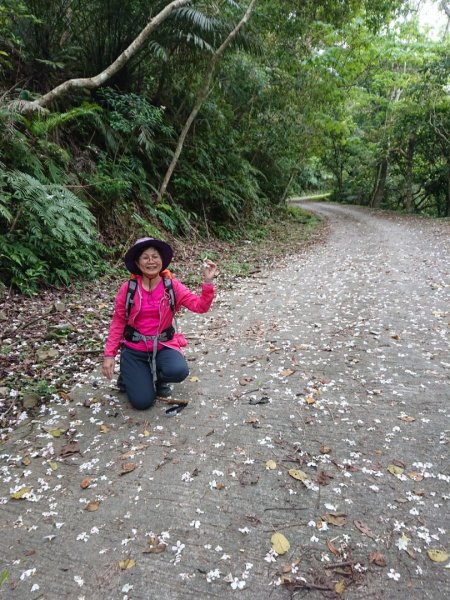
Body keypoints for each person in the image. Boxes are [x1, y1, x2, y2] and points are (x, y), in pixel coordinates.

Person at [102, 237, 218, 410]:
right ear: (137, 262)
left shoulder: (171, 286)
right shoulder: (128, 289)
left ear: (162, 261)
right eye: (145, 257)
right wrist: (109, 354)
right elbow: (118, 321)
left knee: (178, 371)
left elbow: (200, 306)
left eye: (155, 256)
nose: (151, 261)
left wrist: (208, 282)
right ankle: (130, 375)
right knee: (143, 403)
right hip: (135, 350)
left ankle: (157, 378)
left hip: (163, 345)